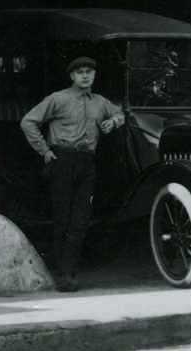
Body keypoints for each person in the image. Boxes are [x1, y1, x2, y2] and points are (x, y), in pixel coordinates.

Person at [20, 56, 125, 292]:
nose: (85, 76)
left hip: (87, 162)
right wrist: (45, 151)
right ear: (72, 76)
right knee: (63, 218)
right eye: (80, 72)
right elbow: (28, 121)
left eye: (89, 71)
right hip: (62, 161)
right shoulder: (58, 99)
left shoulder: (99, 102)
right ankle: (63, 274)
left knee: (81, 219)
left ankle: (71, 270)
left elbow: (120, 113)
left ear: (94, 75)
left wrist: (113, 123)